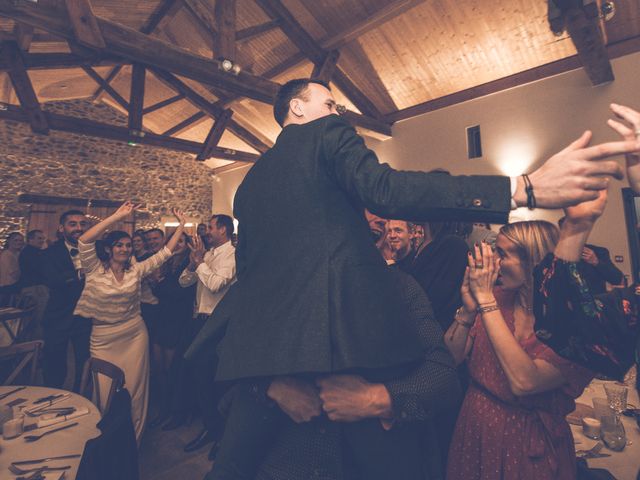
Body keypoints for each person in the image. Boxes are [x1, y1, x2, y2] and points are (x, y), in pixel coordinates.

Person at [198, 80, 636, 479]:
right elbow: (385, 187)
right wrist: (522, 189)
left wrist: (276, 382)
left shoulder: (253, 184)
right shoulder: (326, 134)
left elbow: (247, 298)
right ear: (297, 108)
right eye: (329, 103)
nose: (337, 112)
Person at [444, 223, 594, 480]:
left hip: (528, 440)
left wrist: (486, 302)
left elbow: (525, 381)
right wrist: (468, 310)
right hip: (476, 424)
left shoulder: (574, 324)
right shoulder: (498, 298)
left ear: (534, 259)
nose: (495, 263)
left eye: (503, 254)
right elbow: (452, 357)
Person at [533, 103, 640, 390]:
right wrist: (575, 228)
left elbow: (616, 278)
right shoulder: (634, 306)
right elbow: (557, 327)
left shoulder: (601, 255)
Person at [73, 202, 186, 440]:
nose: (124, 249)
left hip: (134, 334)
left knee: (135, 391)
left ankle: (133, 440)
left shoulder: (136, 270)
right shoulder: (94, 269)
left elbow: (164, 253)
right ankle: (103, 439)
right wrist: (117, 217)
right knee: (105, 393)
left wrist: (182, 224)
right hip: (103, 340)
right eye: (119, 245)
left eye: (127, 245)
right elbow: (84, 240)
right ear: (110, 249)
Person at [179, 214, 236, 458]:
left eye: (210, 227)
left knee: (217, 381)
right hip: (199, 322)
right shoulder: (209, 254)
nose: (206, 231)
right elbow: (183, 282)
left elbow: (216, 285)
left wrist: (201, 262)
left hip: (218, 325)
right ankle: (212, 428)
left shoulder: (232, 254)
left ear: (223, 229)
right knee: (200, 378)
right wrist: (193, 265)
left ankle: (223, 435)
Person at [41, 210, 91, 390]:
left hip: (86, 318)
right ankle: (51, 398)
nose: (79, 228)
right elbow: (53, 280)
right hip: (59, 317)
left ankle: (81, 398)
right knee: (54, 365)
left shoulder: (94, 250)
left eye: (82, 224)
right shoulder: (49, 253)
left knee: (84, 363)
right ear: (61, 228)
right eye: (73, 224)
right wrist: (80, 273)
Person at [149, 232, 194, 428]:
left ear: (187, 245)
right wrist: (159, 285)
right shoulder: (166, 264)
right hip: (163, 318)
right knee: (159, 369)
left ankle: (178, 412)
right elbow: (159, 291)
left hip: (178, 320)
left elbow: (180, 292)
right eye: (173, 242)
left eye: (181, 242)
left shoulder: (190, 264)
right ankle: (164, 408)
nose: (176, 245)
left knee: (173, 369)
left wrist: (159, 285)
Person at [19, 229, 49, 339]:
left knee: (35, 319)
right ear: (30, 239)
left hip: (34, 287)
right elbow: (39, 271)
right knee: (38, 319)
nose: (42, 241)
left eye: (43, 238)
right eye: (39, 238)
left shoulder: (33, 252)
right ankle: (35, 347)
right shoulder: (31, 253)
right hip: (35, 288)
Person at [0, 232, 24, 305]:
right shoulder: (6, 255)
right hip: (6, 287)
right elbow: (13, 273)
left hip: (14, 286)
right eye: (16, 240)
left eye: (20, 240)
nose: (18, 242)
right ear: (9, 241)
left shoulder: (18, 253)